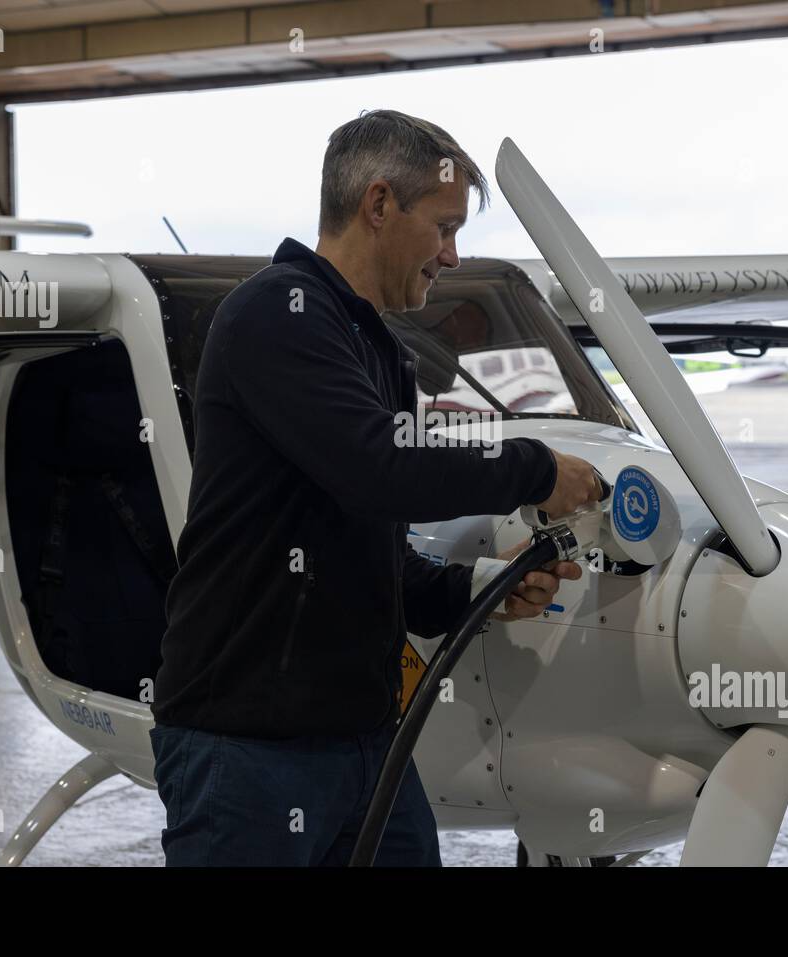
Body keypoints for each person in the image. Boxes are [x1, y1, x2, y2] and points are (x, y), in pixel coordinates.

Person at [149, 109, 602, 866]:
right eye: (445, 227)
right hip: (248, 748)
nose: (452, 257)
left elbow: (376, 553)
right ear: (381, 204)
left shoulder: (378, 351)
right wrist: (537, 468)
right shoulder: (278, 313)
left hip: (366, 744)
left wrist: (482, 586)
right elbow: (378, 471)